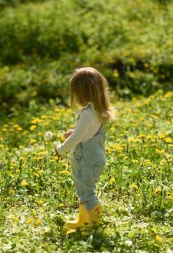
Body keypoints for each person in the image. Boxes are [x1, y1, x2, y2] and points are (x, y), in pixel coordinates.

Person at [55, 67, 115, 230]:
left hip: (86, 161)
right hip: (96, 158)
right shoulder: (98, 111)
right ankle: (83, 219)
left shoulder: (87, 113)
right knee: (84, 190)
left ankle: (94, 224)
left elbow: (76, 139)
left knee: (86, 193)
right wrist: (75, 131)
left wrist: (60, 149)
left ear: (80, 92)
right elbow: (87, 133)